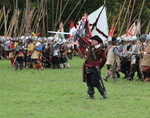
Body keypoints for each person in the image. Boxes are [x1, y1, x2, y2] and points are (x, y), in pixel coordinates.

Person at [81, 35, 107, 99]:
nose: (91, 41)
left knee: (95, 81)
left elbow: (104, 59)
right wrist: (79, 35)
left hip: (95, 67)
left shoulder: (101, 50)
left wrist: (99, 66)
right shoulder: (91, 46)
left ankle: (103, 93)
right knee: (89, 81)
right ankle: (91, 95)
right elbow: (86, 40)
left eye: (93, 40)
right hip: (88, 66)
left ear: (97, 42)